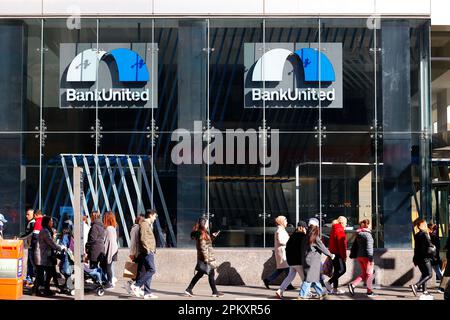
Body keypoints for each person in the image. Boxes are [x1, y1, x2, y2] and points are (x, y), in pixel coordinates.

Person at [184, 215, 223, 297]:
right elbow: (203, 248)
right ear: (204, 224)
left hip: (204, 257)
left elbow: (207, 244)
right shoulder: (202, 234)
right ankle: (215, 292)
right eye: (207, 223)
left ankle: (189, 289)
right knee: (211, 273)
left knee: (200, 274)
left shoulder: (203, 233)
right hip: (206, 258)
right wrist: (206, 259)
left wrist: (212, 236)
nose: (208, 225)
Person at [298, 218, 334, 300]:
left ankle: (321, 294)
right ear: (317, 226)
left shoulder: (306, 235)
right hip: (313, 261)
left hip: (307, 259)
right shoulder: (315, 237)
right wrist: (331, 255)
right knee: (309, 279)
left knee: (315, 278)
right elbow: (323, 247)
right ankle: (302, 295)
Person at [129, 209, 159, 299]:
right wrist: (148, 250)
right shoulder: (144, 224)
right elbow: (143, 238)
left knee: (148, 270)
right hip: (147, 252)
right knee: (152, 270)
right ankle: (136, 285)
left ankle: (147, 292)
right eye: (155, 216)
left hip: (148, 251)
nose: (155, 218)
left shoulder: (147, 224)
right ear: (150, 215)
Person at [33, 216, 65, 296]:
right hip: (41, 256)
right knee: (41, 274)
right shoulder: (45, 231)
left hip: (45, 256)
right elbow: (50, 242)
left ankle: (45, 289)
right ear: (47, 222)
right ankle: (38, 290)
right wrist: (60, 248)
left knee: (49, 273)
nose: (52, 222)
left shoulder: (47, 230)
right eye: (50, 221)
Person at [275, 221, 307, 299]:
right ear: (302, 227)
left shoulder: (292, 236)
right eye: (305, 227)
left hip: (291, 261)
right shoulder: (302, 236)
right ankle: (305, 294)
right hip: (298, 261)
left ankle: (280, 290)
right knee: (305, 279)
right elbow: (304, 248)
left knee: (290, 276)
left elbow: (287, 248)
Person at [263, 216, 294, 290]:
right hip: (282, 252)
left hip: (283, 252)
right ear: (281, 221)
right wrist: (289, 242)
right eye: (285, 221)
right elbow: (280, 241)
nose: (286, 222)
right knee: (287, 269)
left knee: (282, 269)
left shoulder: (281, 229)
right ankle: (288, 284)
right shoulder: (279, 230)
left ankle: (268, 280)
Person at [348, 219, 376, 297]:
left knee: (364, 274)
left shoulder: (359, 234)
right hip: (367, 257)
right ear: (368, 225)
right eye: (370, 224)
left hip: (360, 257)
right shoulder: (368, 235)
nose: (371, 226)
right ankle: (369, 292)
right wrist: (370, 258)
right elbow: (369, 247)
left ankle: (353, 285)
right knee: (370, 274)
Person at [410, 218, 435, 296]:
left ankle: (425, 291)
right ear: (421, 225)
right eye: (424, 224)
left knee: (424, 274)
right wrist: (433, 247)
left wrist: (415, 258)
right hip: (425, 257)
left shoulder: (417, 235)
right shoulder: (424, 234)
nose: (426, 225)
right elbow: (430, 245)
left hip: (418, 258)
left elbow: (416, 248)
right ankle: (416, 285)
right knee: (429, 274)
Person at [325, 216, 348, 295]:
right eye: (346, 223)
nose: (346, 224)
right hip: (338, 253)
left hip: (333, 253)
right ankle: (329, 283)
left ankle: (335, 289)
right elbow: (342, 245)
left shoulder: (334, 228)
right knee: (342, 270)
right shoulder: (340, 229)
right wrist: (344, 256)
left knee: (336, 271)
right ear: (342, 222)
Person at [125, 214, 145, 295]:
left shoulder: (138, 228)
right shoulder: (135, 228)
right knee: (140, 271)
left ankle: (131, 285)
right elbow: (133, 242)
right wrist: (132, 253)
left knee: (137, 271)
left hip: (138, 253)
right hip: (137, 253)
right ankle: (135, 286)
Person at [102, 211, 119, 289]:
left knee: (108, 267)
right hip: (112, 250)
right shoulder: (113, 227)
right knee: (108, 266)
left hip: (110, 250)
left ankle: (109, 282)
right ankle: (109, 281)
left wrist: (106, 252)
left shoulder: (109, 229)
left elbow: (109, 241)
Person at [19, 209, 36, 286]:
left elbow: (31, 234)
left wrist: (21, 238)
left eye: (28, 214)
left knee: (31, 263)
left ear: (33, 215)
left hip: (30, 246)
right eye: (26, 214)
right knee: (29, 263)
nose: (26, 216)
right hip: (29, 246)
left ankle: (31, 279)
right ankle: (29, 278)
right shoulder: (30, 222)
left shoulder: (32, 223)